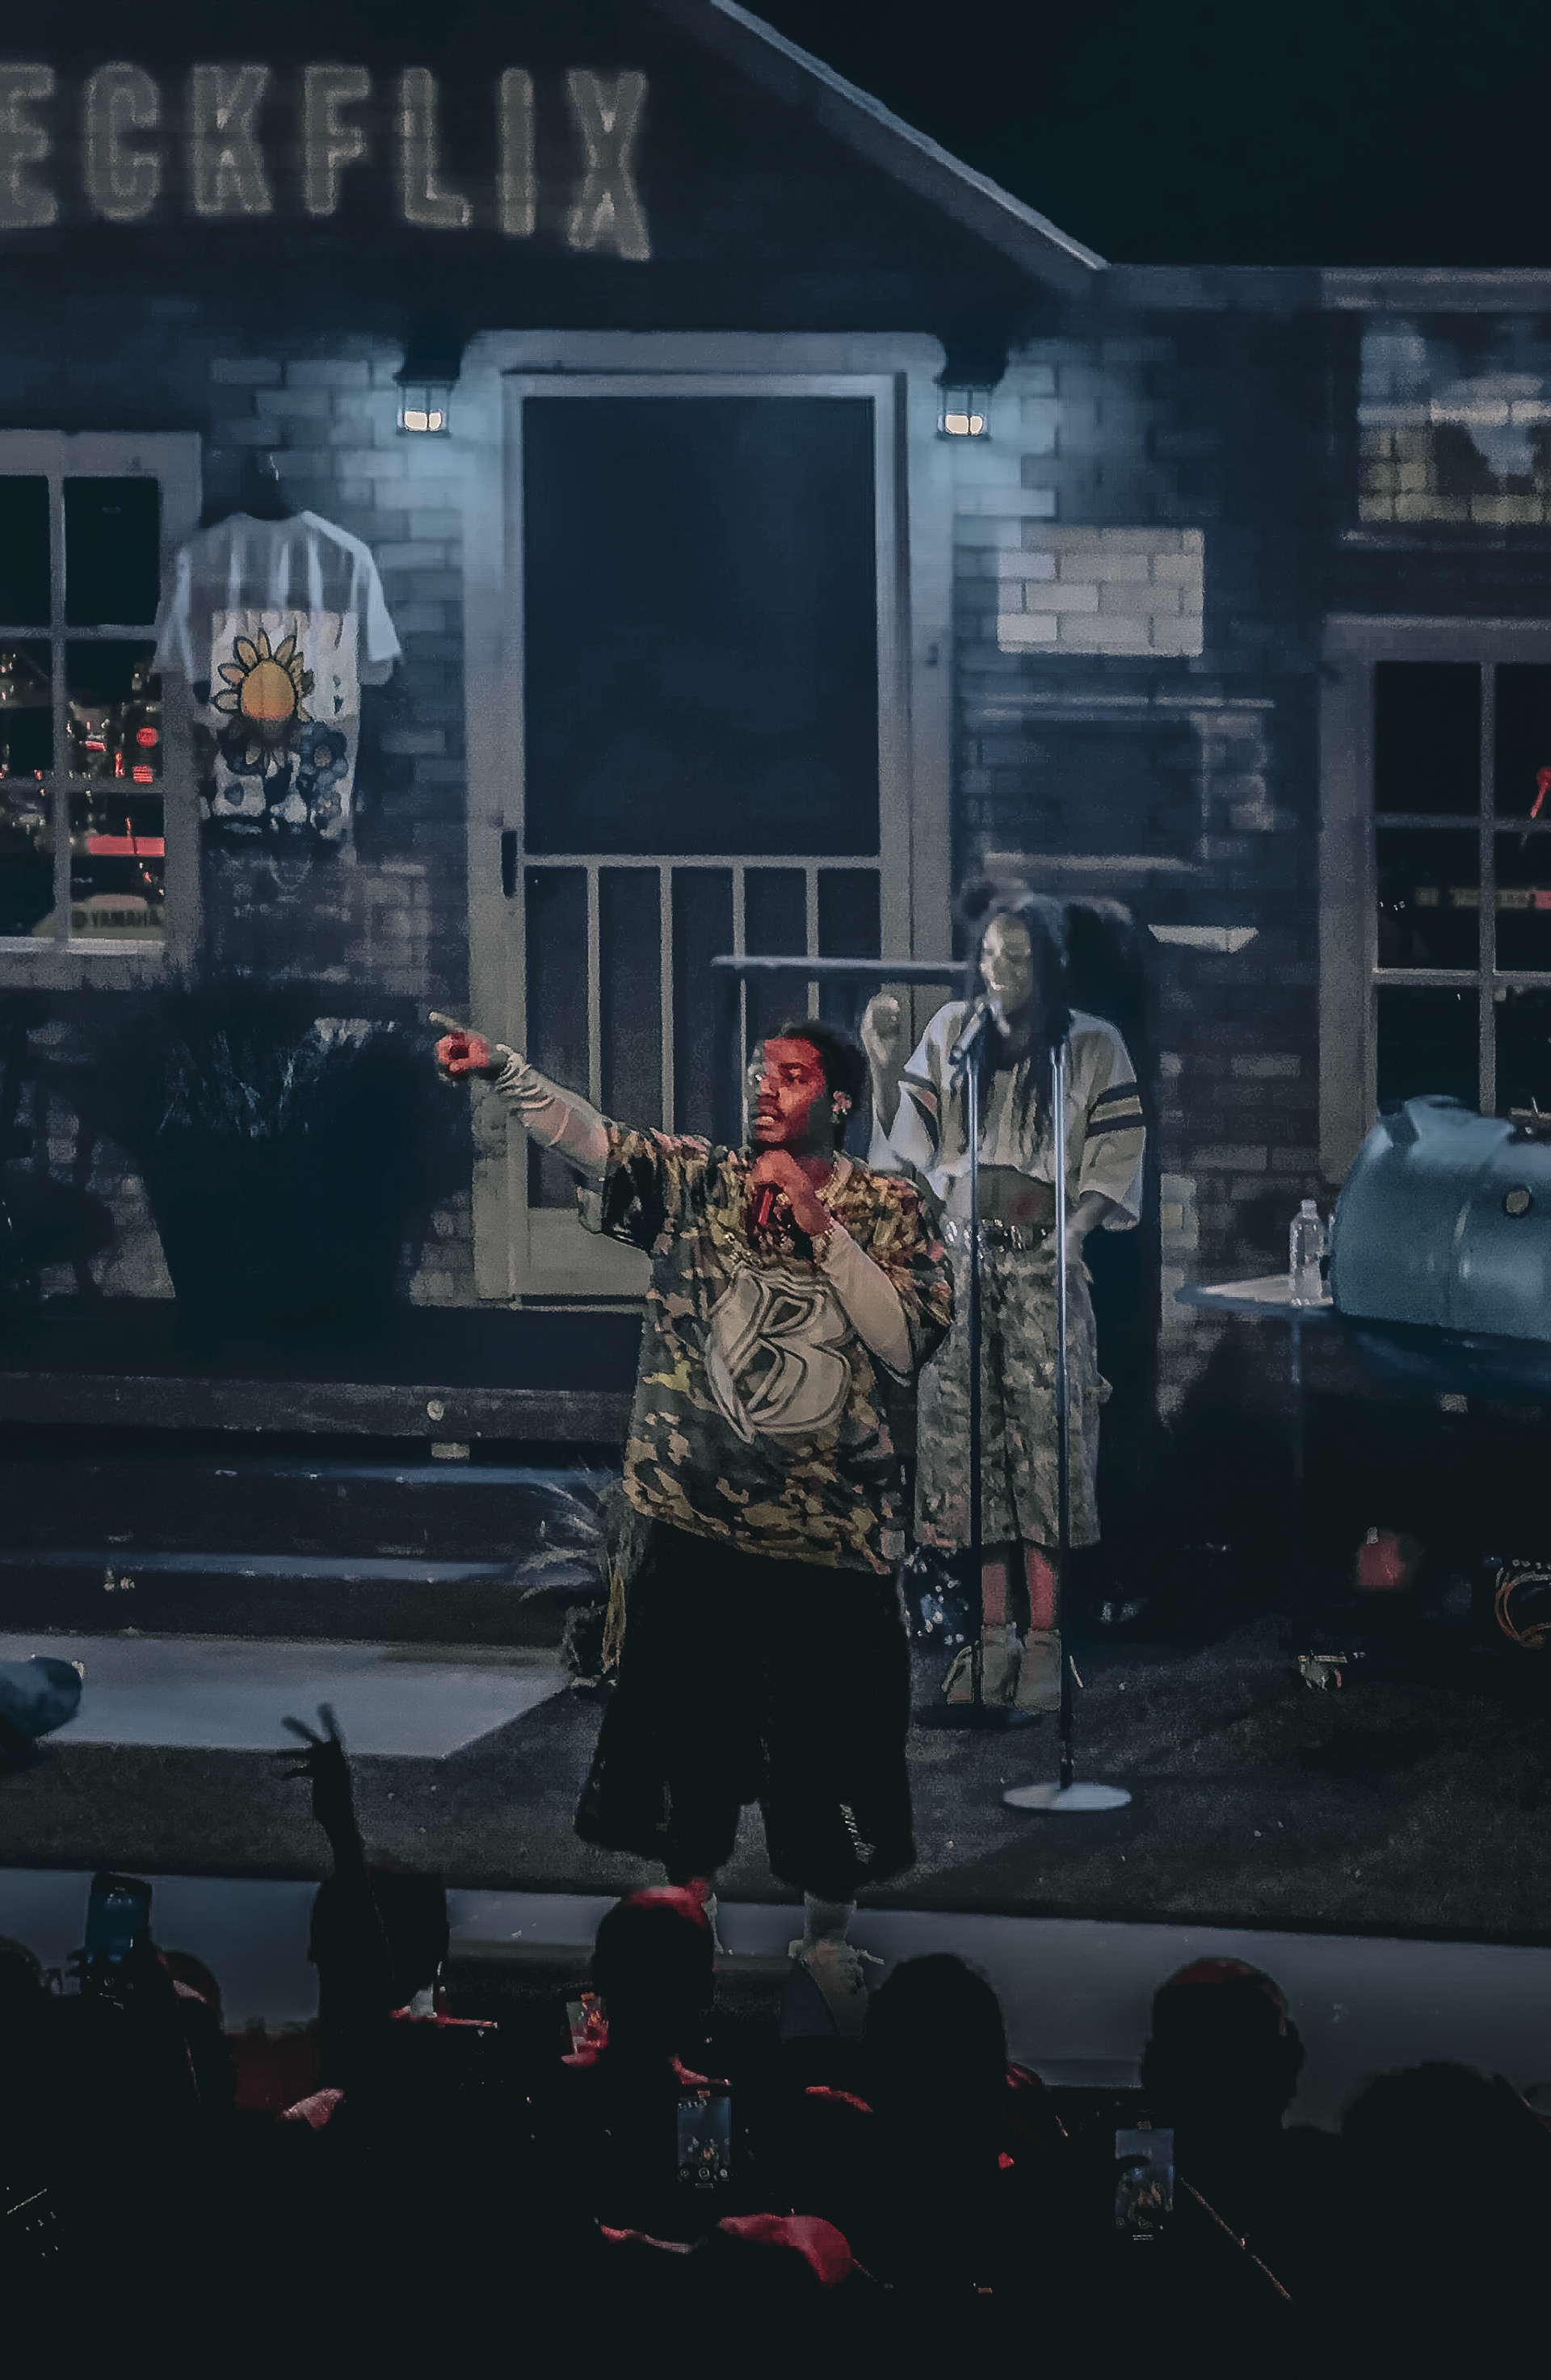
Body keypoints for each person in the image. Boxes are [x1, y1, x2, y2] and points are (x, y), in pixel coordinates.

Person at [435, 1014, 952, 2034]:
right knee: (687, 1755)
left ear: (840, 1100)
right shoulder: (702, 1182)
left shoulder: (891, 1207)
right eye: (762, 1071)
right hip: (695, 1527)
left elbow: (902, 1343)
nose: (767, 1087)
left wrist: (817, 1222)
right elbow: (593, 1140)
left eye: (792, 1075)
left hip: (825, 1542)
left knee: (832, 1763)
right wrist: (507, 1070)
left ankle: (826, 1946)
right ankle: (686, 1934)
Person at [862, 882, 1145, 1709]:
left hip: (1040, 1264)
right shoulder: (957, 1035)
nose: (999, 971)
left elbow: (1116, 1152)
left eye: (1016, 959)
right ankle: (993, 1637)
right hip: (963, 1260)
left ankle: (1046, 1640)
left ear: (1047, 965)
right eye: (989, 956)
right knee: (970, 1449)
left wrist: (1076, 1231)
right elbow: (905, 1145)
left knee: (1043, 1450)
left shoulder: (1088, 1046)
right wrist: (882, 1063)